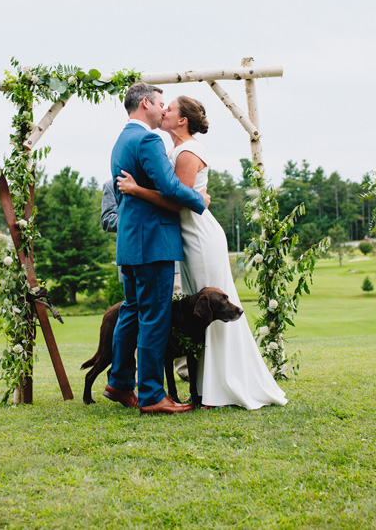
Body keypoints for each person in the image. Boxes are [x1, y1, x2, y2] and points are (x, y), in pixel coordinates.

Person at [117, 96, 287, 409]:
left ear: (182, 120)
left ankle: (221, 388)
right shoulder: (176, 148)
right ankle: (207, 387)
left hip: (199, 237)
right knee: (202, 314)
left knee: (211, 310)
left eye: (170, 109)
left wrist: (136, 190)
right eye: (162, 107)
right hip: (190, 236)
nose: (164, 111)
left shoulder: (187, 151)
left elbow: (176, 200)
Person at [108, 82, 207, 415]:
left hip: (131, 243)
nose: (164, 109)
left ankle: (120, 382)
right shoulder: (149, 139)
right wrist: (200, 200)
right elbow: (169, 185)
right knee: (154, 317)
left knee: (132, 311)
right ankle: (151, 395)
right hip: (154, 243)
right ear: (146, 103)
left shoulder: (122, 140)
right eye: (161, 103)